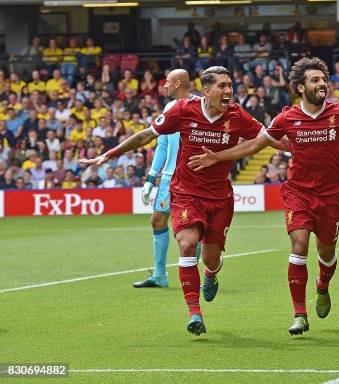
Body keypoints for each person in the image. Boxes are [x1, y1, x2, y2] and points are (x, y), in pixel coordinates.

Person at [187, 57, 339, 335]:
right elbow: (255, 145)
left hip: (330, 195)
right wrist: (217, 158)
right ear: (299, 87)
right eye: (315, 80)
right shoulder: (286, 118)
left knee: (327, 252)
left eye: (323, 79)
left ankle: (322, 286)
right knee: (299, 244)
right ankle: (299, 314)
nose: (322, 84)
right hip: (298, 192)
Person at [80, 66, 287, 336]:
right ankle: (194, 313)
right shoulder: (181, 109)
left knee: (211, 257)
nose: (228, 91)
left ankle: (212, 275)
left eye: (230, 86)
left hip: (219, 196)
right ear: (206, 90)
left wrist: (304, 145)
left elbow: (268, 139)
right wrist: (111, 154)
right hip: (186, 192)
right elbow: (146, 135)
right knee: (188, 244)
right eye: (222, 86)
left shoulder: (238, 116)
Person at [133, 69, 194, 289]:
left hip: (192, 177)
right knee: (157, 220)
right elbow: (163, 145)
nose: (164, 86)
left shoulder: (201, 106)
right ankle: (160, 275)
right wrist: (150, 179)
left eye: (167, 82)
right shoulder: (169, 108)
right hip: (169, 177)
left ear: (178, 83)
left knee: (193, 228)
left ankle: (197, 272)